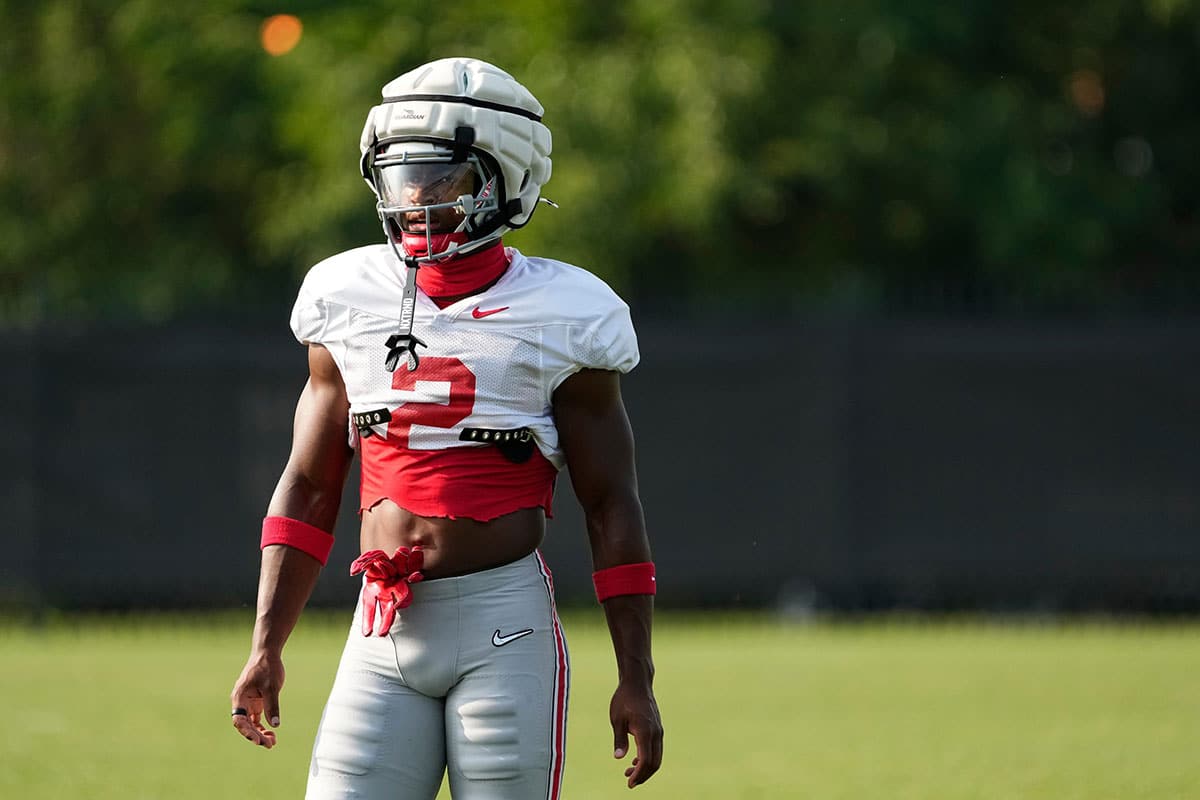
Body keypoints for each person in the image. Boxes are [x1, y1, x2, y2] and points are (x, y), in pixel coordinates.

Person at [229, 56, 663, 799]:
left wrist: (637, 678)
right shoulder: (347, 295)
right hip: (380, 628)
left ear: (508, 182)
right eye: (401, 178)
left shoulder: (565, 311)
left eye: (443, 178)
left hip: (504, 626)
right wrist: (266, 644)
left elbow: (610, 503)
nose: (417, 201)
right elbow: (307, 485)